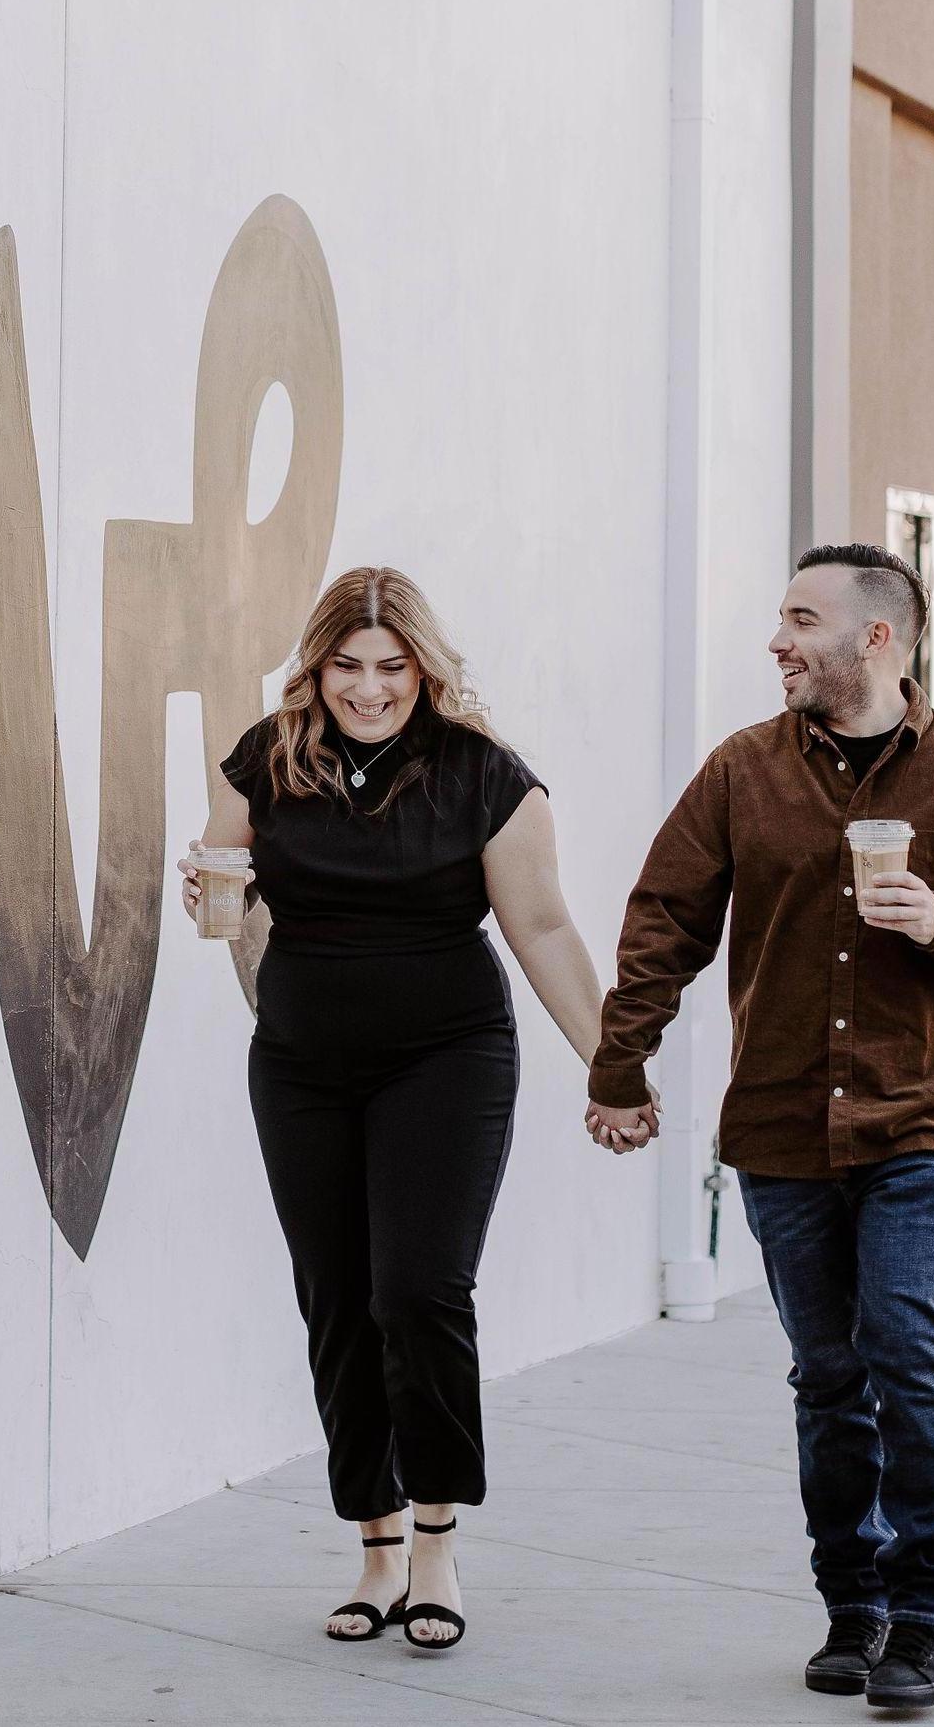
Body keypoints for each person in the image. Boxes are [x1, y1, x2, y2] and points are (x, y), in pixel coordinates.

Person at [585, 544, 934, 1712]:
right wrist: (620, 1064)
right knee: (829, 1374)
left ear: (877, 638)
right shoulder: (741, 772)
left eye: (802, 620)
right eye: (781, 618)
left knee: (907, 1345)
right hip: (783, 1120)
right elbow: (664, 920)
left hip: (930, 1112)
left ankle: (926, 1613)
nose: (779, 640)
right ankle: (852, 1606)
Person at [181, 566, 623, 1652]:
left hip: (446, 1058)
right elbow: (231, 897)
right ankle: (375, 1547)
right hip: (301, 1064)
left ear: (424, 669)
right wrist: (214, 900)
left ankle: (435, 1540)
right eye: (347, 666)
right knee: (336, 1297)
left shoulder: (485, 776)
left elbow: (544, 930)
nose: (368, 689)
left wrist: (612, 1067)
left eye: (391, 667)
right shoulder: (264, 760)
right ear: (316, 665)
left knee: (418, 1293)